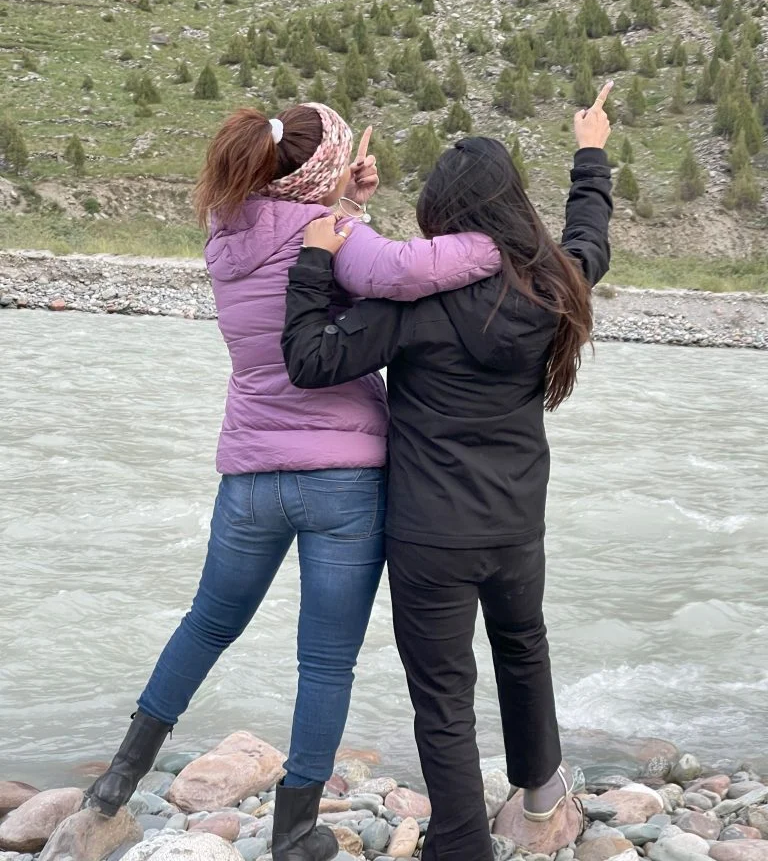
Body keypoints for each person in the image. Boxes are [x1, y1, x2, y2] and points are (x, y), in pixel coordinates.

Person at [83, 102, 501, 861]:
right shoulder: (338, 239)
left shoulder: (225, 232)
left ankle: (118, 777)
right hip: (342, 478)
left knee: (207, 623)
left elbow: (296, 235)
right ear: (321, 174)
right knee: (324, 660)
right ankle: (295, 828)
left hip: (249, 471)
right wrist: (494, 244)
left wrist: (345, 199)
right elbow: (402, 272)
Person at [281, 87, 615, 861]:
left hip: (431, 531)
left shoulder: (414, 300)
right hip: (516, 519)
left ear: (441, 208)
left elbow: (310, 359)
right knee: (523, 647)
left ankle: (460, 842)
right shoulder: (558, 283)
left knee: (443, 693)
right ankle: (540, 797)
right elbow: (591, 238)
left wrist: (315, 258)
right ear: (514, 206)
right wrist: (590, 151)